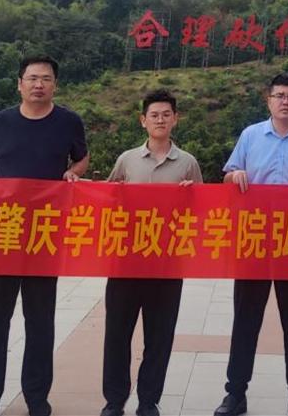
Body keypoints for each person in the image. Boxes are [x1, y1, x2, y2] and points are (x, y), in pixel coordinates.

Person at [0, 55, 89, 416]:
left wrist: (74, 173)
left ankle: (36, 397)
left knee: (40, 321)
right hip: (5, 231)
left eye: (46, 78)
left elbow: (81, 158)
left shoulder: (68, 122)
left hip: (44, 235)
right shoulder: (1, 122)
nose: (38, 84)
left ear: (55, 85)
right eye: (32, 78)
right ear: (20, 84)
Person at [214, 72, 288, 416]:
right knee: (245, 320)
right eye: (279, 95)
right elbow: (228, 176)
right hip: (254, 241)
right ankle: (235, 394)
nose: (285, 101)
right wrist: (234, 175)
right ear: (268, 100)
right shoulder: (251, 136)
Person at [100, 90, 203, 416]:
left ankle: (148, 400)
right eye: (154, 115)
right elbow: (107, 200)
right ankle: (114, 400)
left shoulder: (188, 163)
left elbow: (202, 212)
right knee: (117, 335)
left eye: (166, 114)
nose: (160, 120)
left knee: (159, 337)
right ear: (143, 120)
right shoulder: (127, 160)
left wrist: (191, 196)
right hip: (125, 263)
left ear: (176, 119)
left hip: (167, 264)